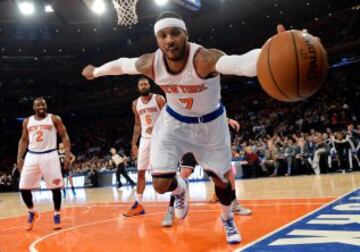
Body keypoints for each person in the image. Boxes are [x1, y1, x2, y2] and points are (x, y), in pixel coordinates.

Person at [82, 11, 284, 244]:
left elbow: (240, 64)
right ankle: (180, 190)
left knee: (222, 182)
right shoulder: (151, 62)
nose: (169, 40)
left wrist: (273, 50)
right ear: (157, 40)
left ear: (185, 34)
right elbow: (123, 65)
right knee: (159, 185)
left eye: (175, 33)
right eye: (162, 35)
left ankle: (228, 220)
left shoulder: (204, 59)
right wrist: (96, 71)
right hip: (174, 124)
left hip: (211, 125)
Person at [17, 97, 71, 231]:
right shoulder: (27, 121)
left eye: (43, 104)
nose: (41, 106)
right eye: (38, 104)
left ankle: (57, 214)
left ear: (46, 106)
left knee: (55, 187)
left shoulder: (54, 118)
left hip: (50, 154)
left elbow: (64, 136)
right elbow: (23, 140)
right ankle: (32, 212)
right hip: (32, 155)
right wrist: (19, 157)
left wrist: (68, 155)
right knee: (23, 187)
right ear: (33, 108)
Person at [123, 77, 166, 217]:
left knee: (160, 174)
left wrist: (156, 126)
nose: (143, 86)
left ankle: (177, 197)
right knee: (140, 172)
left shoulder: (158, 99)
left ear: (149, 85)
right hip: (145, 140)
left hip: (159, 138)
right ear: (138, 87)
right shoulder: (135, 103)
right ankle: (138, 204)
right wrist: (133, 143)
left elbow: (168, 118)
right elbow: (137, 124)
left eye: (145, 84)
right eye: (141, 85)